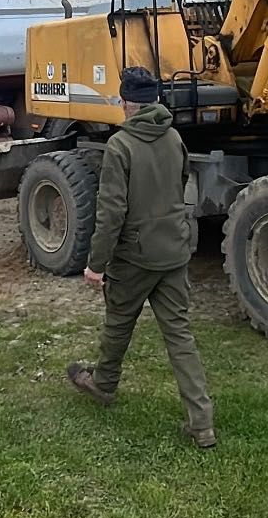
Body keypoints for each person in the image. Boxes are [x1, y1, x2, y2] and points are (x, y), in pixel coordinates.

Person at [67, 67, 216, 448]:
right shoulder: (174, 137)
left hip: (134, 256)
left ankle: (103, 384)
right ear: (155, 102)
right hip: (173, 249)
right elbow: (181, 183)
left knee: (119, 324)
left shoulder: (121, 145)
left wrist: (96, 265)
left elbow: (111, 211)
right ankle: (202, 422)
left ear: (125, 103)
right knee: (180, 336)